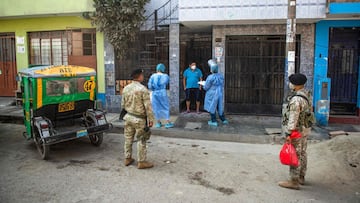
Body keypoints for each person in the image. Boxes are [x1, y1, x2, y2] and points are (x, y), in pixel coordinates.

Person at [279, 73, 313, 190]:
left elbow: (293, 118)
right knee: (303, 153)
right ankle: (301, 177)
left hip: (296, 131)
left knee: (295, 154)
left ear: (296, 85)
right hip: (305, 130)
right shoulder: (306, 95)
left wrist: (289, 133)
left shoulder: (296, 99)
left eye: (292, 83)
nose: (290, 84)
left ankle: (294, 181)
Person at [121, 69, 155, 169]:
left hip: (128, 117)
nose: (143, 76)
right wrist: (151, 119)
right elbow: (148, 107)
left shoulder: (126, 88)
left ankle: (127, 158)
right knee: (142, 139)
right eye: (142, 75)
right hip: (139, 119)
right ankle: (142, 161)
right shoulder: (143, 89)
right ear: (139, 76)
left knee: (128, 138)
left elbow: (122, 104)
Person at [201, 59, 228, 127]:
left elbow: (206, 87)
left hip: (212, 94)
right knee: (220, 106)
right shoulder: (221, 76)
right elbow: (222, 84)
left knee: (211, 106)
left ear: (211, 69)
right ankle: (223, 119)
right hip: (219, 93)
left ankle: (213, 121)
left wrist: (203, 84)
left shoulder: (210, 77)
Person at [148, 64, 174, 129]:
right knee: (165, 106)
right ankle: (167, 122)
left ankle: (158, 122)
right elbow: (167, 83)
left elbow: (150, 86)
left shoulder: (153, 76)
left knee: (156, 107)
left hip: (155, 93)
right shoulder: (166, 76)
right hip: (162, 93)